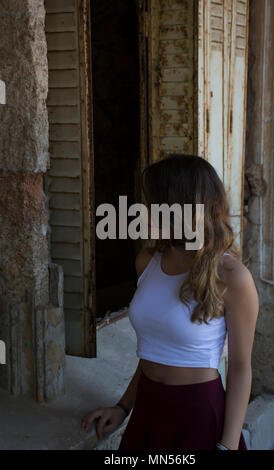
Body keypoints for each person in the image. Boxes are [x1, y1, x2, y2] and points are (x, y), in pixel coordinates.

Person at [81, 154, 259, 450]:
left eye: (152, 204)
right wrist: (123, 407)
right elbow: (154, 350)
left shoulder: (232, 277)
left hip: (200, 415)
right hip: (148, 409)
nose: (141, 211)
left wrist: (227, 446)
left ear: (182, 210)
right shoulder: (147, 261)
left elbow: (241, 369)